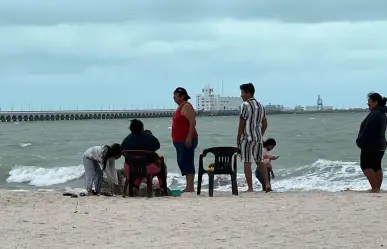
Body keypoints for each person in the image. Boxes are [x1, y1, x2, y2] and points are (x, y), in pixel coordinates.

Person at [237, 83, 270, 192]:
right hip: (258, 138)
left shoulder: (245, 105)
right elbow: (265, 123)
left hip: (247, 138)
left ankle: (250, 188)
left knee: (247, 162)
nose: (241, 95)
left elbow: (242, 123)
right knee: (259, 161)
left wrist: (238, 137)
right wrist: (260, 134)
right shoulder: (261, 106)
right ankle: (267, 184)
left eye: (242, 93)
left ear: (248, 93)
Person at [121, 119, 167, 194]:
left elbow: (122, 151)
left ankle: (135, 186)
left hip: (130, 168)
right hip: (148, 168)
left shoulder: (126, 140)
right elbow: (157, 146)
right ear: (142, 128)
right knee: (161, 164)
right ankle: (162, 188)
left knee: (138, 163)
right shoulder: (149, 137)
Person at [356, 92, 387, 192]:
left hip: (371, 145)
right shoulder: (381, 113)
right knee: (376, 166)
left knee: (366, 165)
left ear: (375, 102)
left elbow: (369, 130)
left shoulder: (376, 114)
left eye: (369, 101)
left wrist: (361, 141)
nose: (367, 103)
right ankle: (377, 188)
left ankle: (375, 188)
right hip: (380, 144)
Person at [172, 87, 198, 192]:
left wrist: (189, 137)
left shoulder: (186, 106)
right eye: (173, 96)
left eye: (176, 96)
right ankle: (188, 186)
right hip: (179, 141)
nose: (174, 98)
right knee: (182, 162)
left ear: (182, 96)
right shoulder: (180, 107)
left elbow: (193, 122)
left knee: (187, 161)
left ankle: (190, 187)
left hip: (187, 140)